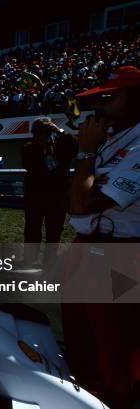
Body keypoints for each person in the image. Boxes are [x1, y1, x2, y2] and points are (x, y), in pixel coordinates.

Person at [64, 65, 140, 408]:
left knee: (116, 340)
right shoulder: (112, 139)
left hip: (121, 250)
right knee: (81, 329)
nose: (102, 105)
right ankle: (85, 389)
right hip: (90, 244)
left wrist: (85, 152)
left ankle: (117, 397)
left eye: (111, 98)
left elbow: (81, 201)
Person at [22, 117, 77, 265]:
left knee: (54, 232)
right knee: (32, 230)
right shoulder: (29, 148)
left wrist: (58, 130)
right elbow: (30, 166)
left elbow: (74, 146)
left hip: (57, 198)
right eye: (38, 134)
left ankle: (50, 262)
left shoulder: (62, 146)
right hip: (36, 197)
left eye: (45, 133)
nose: (42, 137)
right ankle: (29, 259)